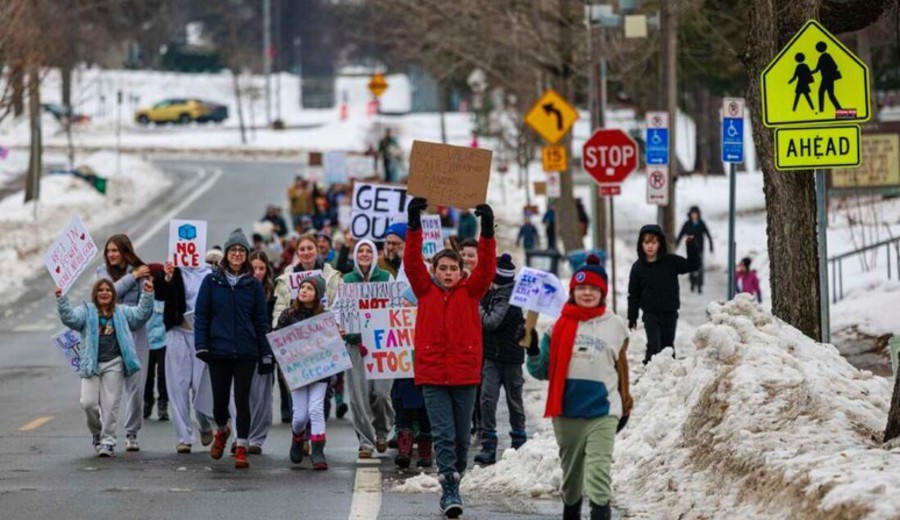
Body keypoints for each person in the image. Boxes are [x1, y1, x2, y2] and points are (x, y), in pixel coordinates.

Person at [404, 197, 496, 519]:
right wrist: (413, 224)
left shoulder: (472, 291)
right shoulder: (424, 289)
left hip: (464, 374)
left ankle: (455, 473)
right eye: (442, 268)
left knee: (459, 439)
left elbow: (486, 267)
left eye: (453, 268)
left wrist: (486, 232)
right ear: (434, 270)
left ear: (461, 272)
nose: (447, 273)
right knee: (443, 435)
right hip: (432, 375)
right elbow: (411, 264)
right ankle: (449, 489)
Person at [526, 255, 632, 520]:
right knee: (572, 480)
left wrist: (626, 404)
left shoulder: (616, 326)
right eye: (581, 288)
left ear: (603, 292)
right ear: (572, 291)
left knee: (598, 473)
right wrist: (533, 348)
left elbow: (622, 370)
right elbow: (540, 371)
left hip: (603, 411)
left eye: (593, 288)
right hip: (566, 412)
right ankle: (570, 512)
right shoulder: (557, 328)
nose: (587, 293)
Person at [194, 229, 273, 469]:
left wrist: (265, 352)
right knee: (219, 402)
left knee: (242, 400)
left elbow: (261, 321)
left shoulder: (253, 285)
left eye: (241, 251)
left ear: (246, 255)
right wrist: (201, 345)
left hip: (246, 351)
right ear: (226, 254)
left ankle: (241, 445)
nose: (237, 254)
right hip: (218, 349)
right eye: (233, 250)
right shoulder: (212, 281)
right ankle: (222, 429)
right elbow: (202, 315)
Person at [55, 278, 154, 457]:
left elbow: (140, 315)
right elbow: (71, 319)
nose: (104, 293)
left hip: (114, 364)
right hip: (91, 363)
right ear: (95, 294)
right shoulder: (86, 311)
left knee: (110, 406)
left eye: (108, 290)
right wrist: (61, 299)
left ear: (113, 294)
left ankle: (108, 441)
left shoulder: (121, 312)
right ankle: (97, 433)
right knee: (88, 403)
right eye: (100, 290)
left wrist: (147, 294)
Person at [97, 234, 152, 452]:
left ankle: (132, 432)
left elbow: (142, 311)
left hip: (135, 335)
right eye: (108, 250)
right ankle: (105, 435)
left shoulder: (141, 271)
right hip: (109, 337)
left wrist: (138, 276)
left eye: (115, 250)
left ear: (125, 252)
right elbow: (107, 293)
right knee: (109, 390)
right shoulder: (102, 272)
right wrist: (132, 278)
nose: (111, 254)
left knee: (136, 389)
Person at [341, 239, 395, 458]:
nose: (364, 254)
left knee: (381, 394)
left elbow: (395, 307)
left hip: (381, 345)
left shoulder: (386, 278)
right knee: (359, 397)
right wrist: (341, 327)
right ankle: (365, 441)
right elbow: (338, 310)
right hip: (356, 345)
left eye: (368, 251)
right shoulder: (347, 281)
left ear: (374, 255)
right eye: (360, 251)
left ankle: (382, 431)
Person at [474, 254, 527, 466]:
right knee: (487, 399)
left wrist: (477, 306)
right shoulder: (491, 292)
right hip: (492, 356)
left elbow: (491, 322)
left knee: (514, 400)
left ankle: (519, 440)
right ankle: (488, 443)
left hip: (510, 357)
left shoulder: (508, 296)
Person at [276, 275, 332, 470]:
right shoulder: (287, 315)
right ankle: (298, 437)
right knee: (300, 415)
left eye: (310, 288)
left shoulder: (324, 317)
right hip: (297, 373)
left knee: (316, 409)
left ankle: (318, 450)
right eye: (302, 287)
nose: (304, 290)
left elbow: (331, 346)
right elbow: (278, 342)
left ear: (317, 295)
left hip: (319, 372)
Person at [628, 225, 699, 365]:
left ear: (660, 244)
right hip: (650, 314)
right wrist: (632, 316)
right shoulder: (638, 267)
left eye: (653, 243)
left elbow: (692, 265)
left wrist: (691, 246)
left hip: (670, 313)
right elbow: (633, 293)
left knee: (667, 346)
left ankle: (669, 374)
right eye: (646, 243)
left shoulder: (671, 262)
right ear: (641, 244)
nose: (650, 246)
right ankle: (649, 369)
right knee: (654, 345)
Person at [244, 251, 277, 454]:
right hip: (244, 348)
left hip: (265, 348)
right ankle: (242, 435)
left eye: (261, 269)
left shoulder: (272, 294)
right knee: (242, 395)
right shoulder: (241, 289)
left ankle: (256, 438)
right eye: (253, 268)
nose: (257, 273)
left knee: (262, 396)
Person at [273, 233, 342, 326]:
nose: (306, 252)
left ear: (317, 250)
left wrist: (335, 327)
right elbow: (279, 309)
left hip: (325, 332)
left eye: (310, 248)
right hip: (295, 334)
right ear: (297, 253)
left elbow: (339, 307)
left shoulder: (333, 276)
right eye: (302, 249)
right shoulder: (285, 280)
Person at [143, 270, 168, 422]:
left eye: (153, 278)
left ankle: (163, 403)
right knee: (147, 375)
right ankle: (148, 400)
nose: (150, 281)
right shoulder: (144, 297)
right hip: (147, 341)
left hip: (165, 341)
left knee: (164, 375)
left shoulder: (166, 296)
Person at [676, 206, 714, 294]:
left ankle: (700, 285)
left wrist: (711, 246)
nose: (694, 215)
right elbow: (681, 234)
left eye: (695, 214)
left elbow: (708, 234)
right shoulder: (687, 224)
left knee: (700, 267)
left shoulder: (701, 223)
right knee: (692, 267)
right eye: (692, 214)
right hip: (690, 249)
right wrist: (677, 243)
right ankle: (692, 282)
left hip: (700, 249)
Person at [811, 41, 842, 113]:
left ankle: (822, 111)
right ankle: (838, 109)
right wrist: (809, 72)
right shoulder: (824, 56)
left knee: (822, 93)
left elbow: (835, 66)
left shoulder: (825, 56)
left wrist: (827, 71)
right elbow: (817, 69)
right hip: (827, 78)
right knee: (828, 94)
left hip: (827, 78)